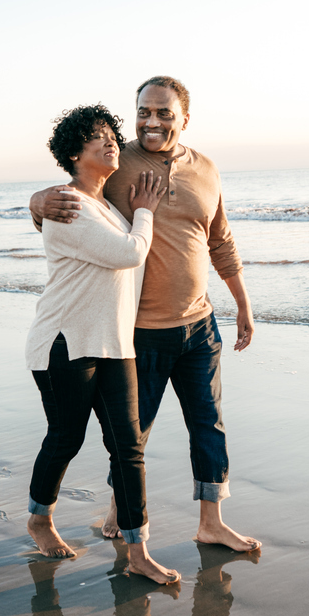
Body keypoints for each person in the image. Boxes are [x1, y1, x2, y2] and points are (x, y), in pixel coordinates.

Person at [30, 77, 260, 552]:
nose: (151, 121)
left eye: (164, 113)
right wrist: (35, 203)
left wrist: (242, 303)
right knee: (132, 436)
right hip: (140, 330)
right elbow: (75, 194)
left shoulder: (207, 169)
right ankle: (120, 509)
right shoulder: (117, 161)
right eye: (144, 111)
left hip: (199, 324)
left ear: (184, 119)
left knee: (208, 424)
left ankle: (211, 522)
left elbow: (220, 239)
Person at [23, 104, 178, 584]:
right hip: (65, 342)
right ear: (73, 152)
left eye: (112, 133)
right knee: (66, 438)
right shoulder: (67, 206)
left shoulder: (107, 206)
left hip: (115, 344)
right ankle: (39, 519)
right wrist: (147, 212)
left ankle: (138, 550)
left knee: (128, 448)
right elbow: (128, 253)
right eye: (97, 136)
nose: (110, 140)